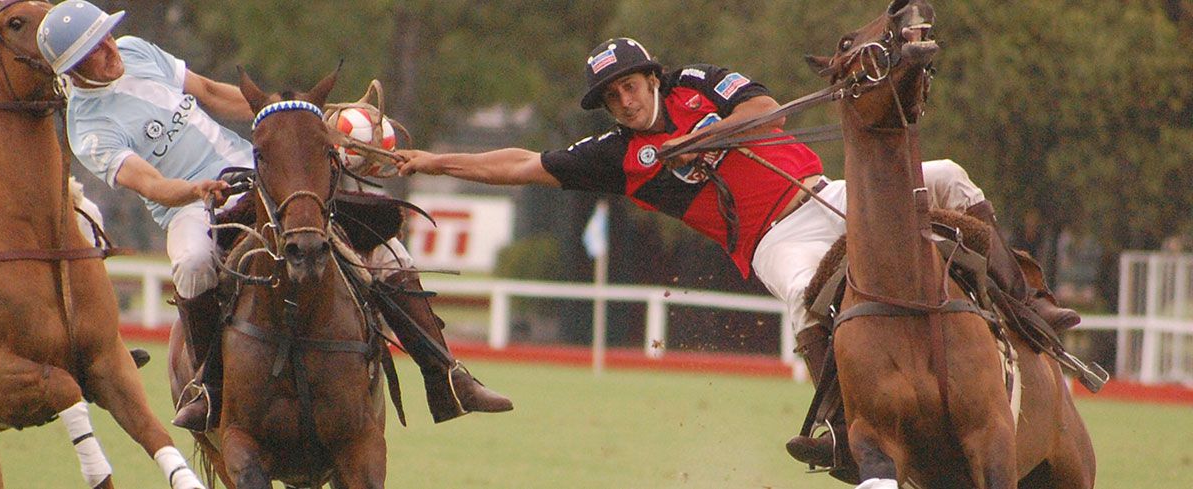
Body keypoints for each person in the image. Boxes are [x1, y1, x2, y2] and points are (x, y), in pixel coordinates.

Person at [396, 37, 1080, 467]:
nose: (626, 100)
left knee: (952, 175)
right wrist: (429, 158)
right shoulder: (616, 156)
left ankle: (1030, 303)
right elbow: (519, 163)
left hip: (826, 189)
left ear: (652, 77)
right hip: (772, 238)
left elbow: (770, 112)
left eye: (631, 85)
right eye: (612, 97)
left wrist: (700, 140)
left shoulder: (700, 82)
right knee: (805, 295)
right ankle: (844, 430)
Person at [38, 0, 510, 433]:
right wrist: (193, 189)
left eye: (105, 37)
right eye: (92, 51)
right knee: (193, 265)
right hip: (191, 206)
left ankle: (446, 375)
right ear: (73, 72)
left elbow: (208, 91)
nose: (108, 50)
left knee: (381, 242)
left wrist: (293, 118)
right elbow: (149, 183)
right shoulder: (88, 127)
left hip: (255, 170)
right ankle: (207, 387)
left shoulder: (135, 50)